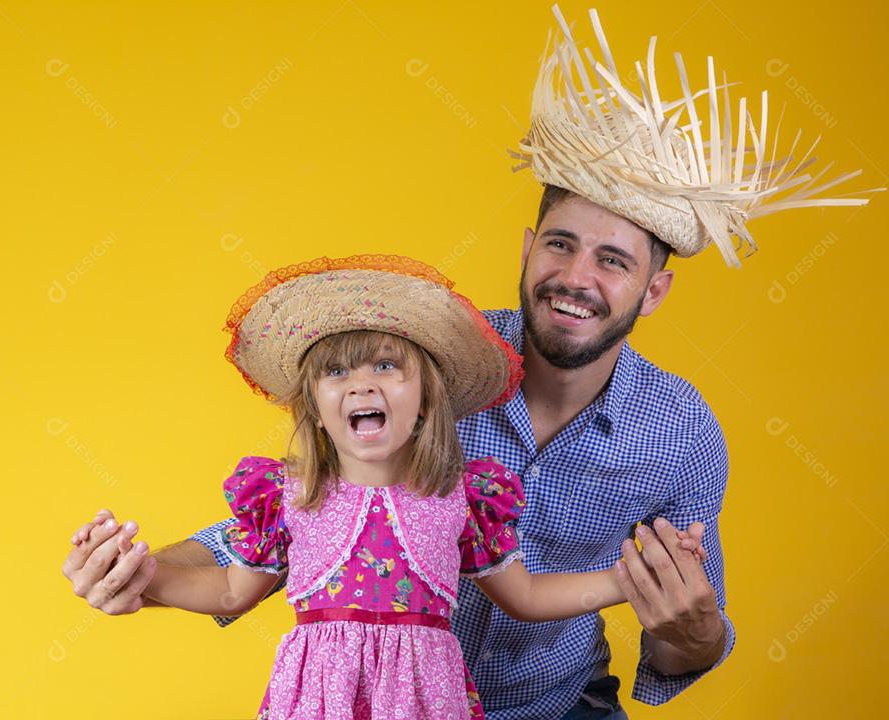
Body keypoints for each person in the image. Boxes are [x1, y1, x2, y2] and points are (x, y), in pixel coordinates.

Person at [63, 6, 874, 718]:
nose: (576, 278)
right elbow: (293, 522)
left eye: (613, 261)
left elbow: (683, 638)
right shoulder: (425, 362)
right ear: (527, 249)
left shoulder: (680, 432)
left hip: (561, 705)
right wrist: (140, 573)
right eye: (560, 244)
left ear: (653, 290)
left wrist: (686, 626)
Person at [70, 255, 700, 720]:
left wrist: (629, 580)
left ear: (426, 400)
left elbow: (527, 595)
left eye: (387, 365)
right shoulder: (290, 496)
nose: (361, 384)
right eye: (336, 371)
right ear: (315, 408)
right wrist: (146, 575)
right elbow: (232, 588)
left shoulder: (462, 500)